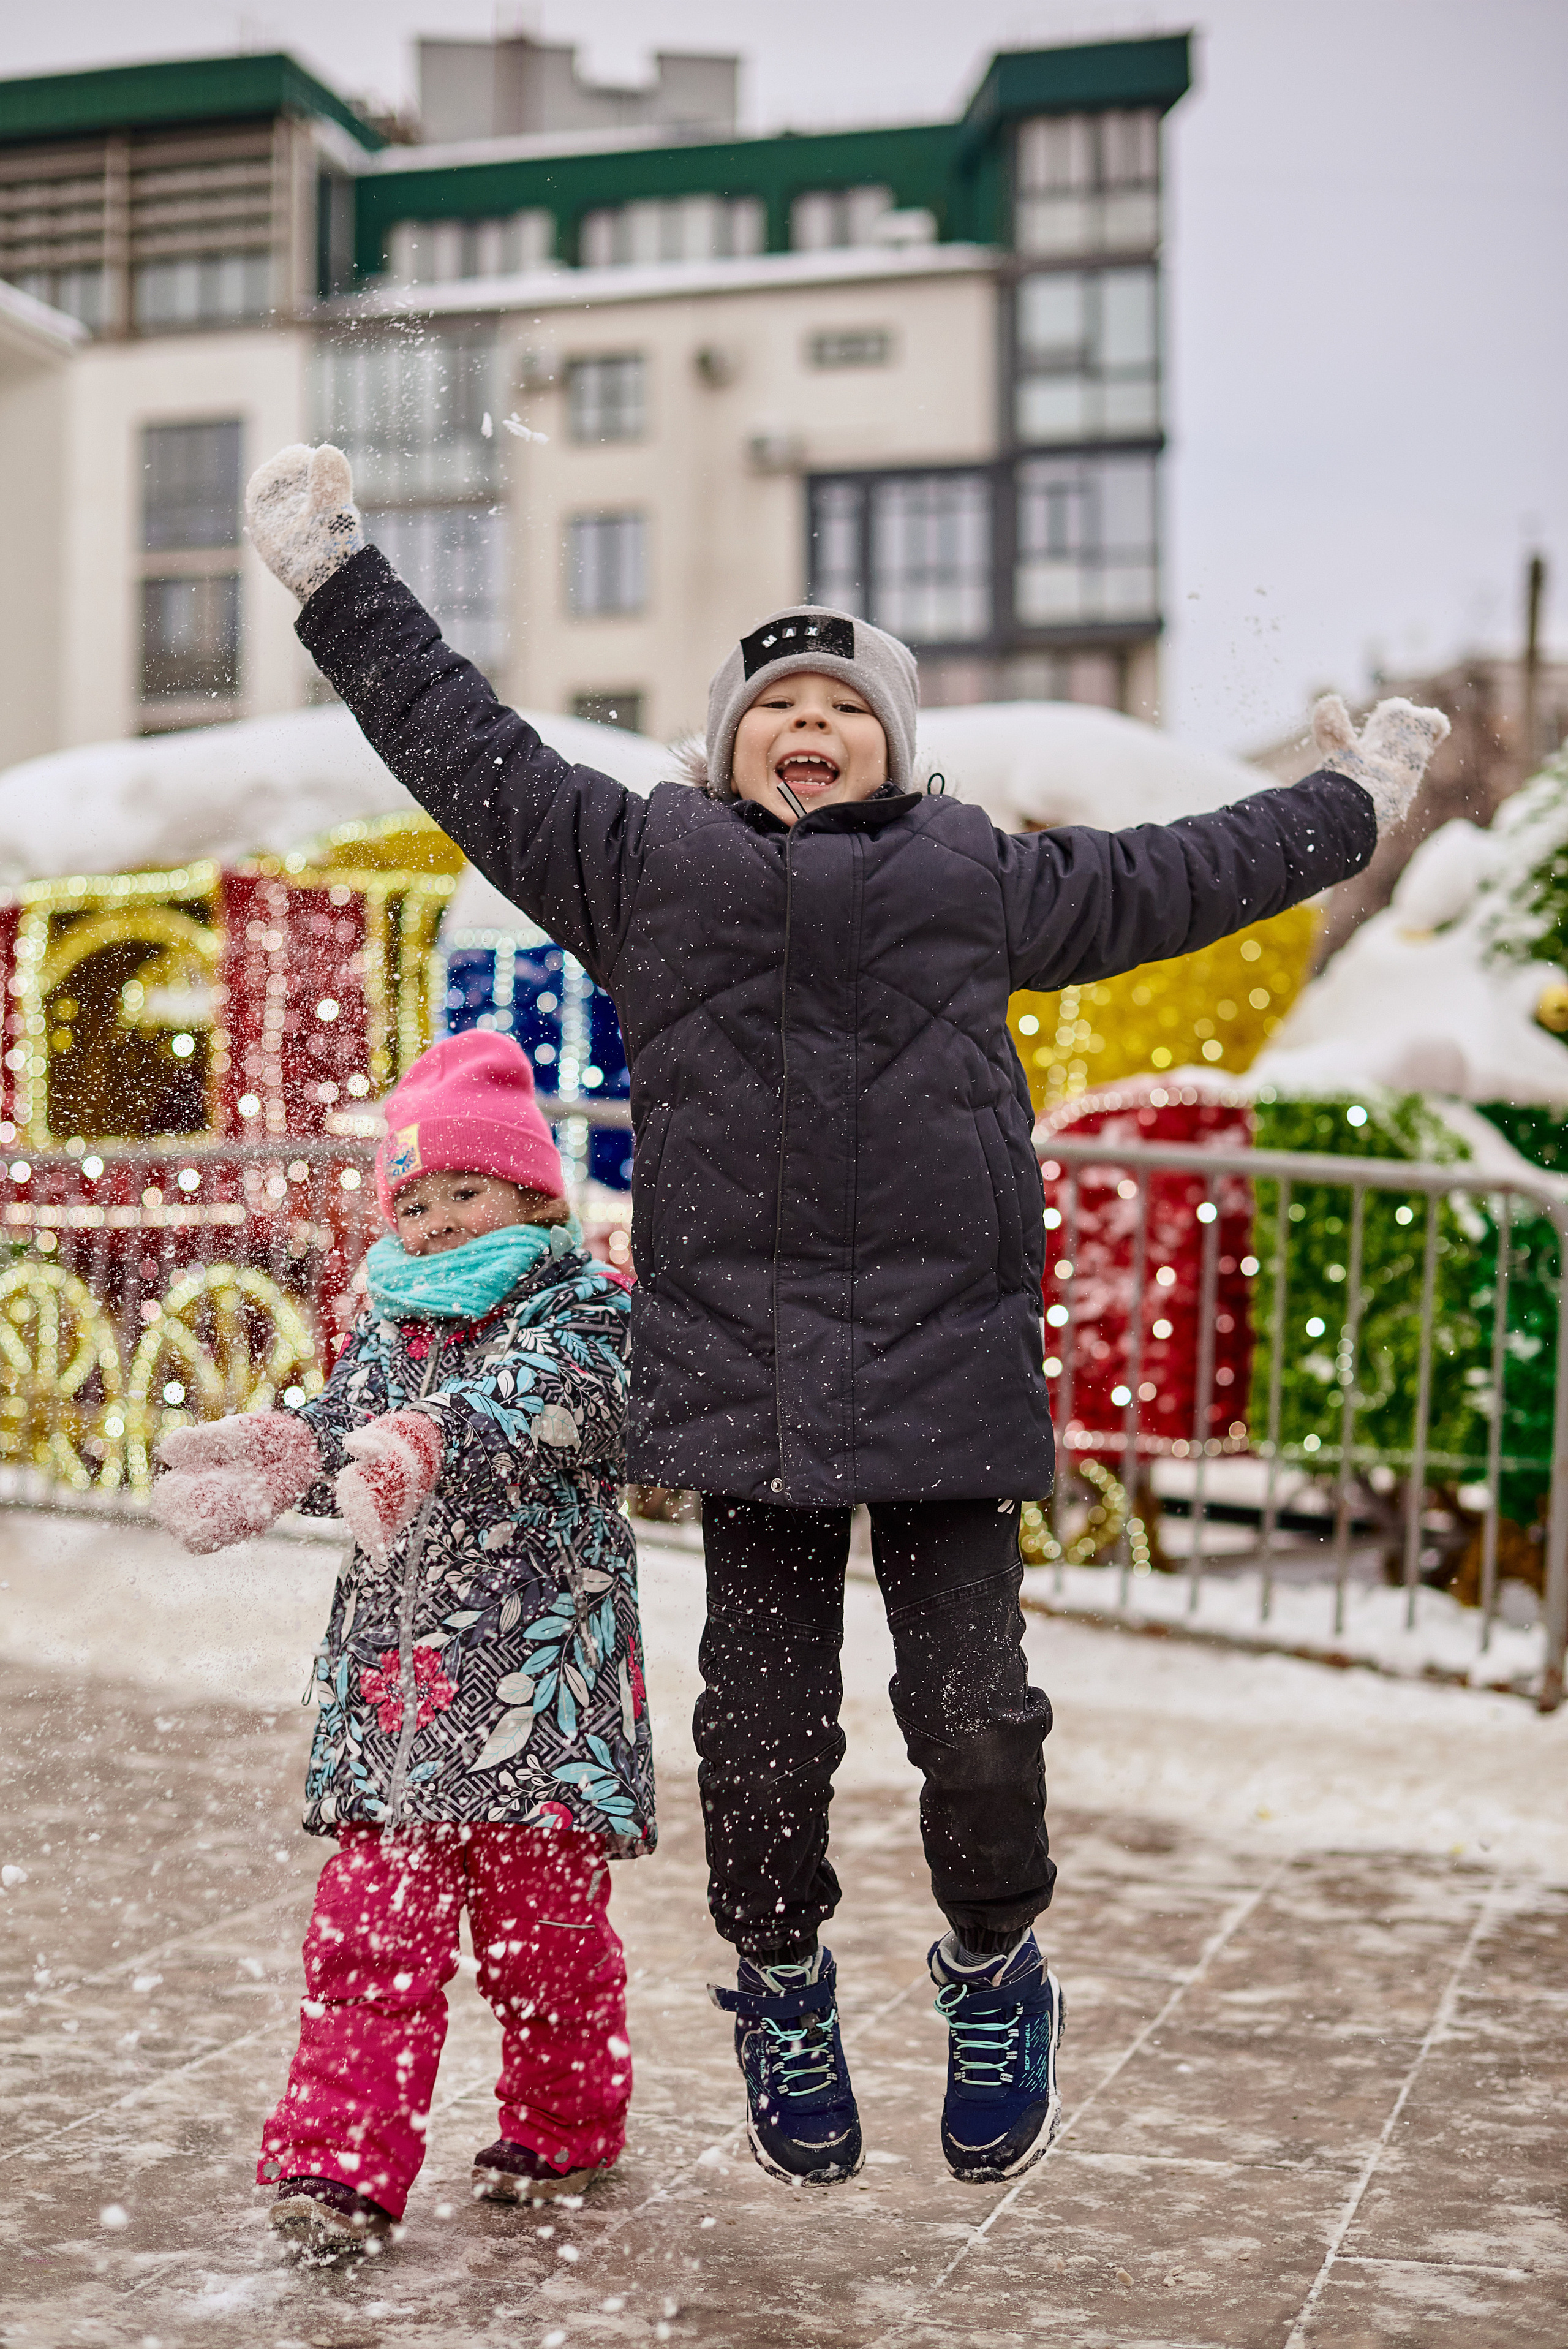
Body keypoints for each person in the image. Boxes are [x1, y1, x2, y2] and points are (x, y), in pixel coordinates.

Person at [242, 443, 1448, 2191]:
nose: (808, 726)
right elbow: (470, 752)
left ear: (896, 745)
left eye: (843, 708)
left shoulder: (975, 876)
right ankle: (786, 1979)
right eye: (774, 705)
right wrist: (342, 585)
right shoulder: (645, 864)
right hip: (748, 1387)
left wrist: (1345, 806)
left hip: (946, 1375)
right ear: (723, 744)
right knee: (756, 1740)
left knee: (976, 1721)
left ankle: (991, 1963)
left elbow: (1180, 871)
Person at [152, 1031, 651, 2255]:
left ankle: (562, 2131)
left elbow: (540, 1404)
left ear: (532, 1192)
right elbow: (351, 1427)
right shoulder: (390, 1318)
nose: (432, 1225)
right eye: (412, 1202)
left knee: (549, 1952)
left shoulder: (580, 1308)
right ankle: (334, 2170)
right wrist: (292, 1453)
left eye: (463, 1194)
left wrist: (422, 1440)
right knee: (369, 1940)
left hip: (539, 1706)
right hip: (402, 1705)